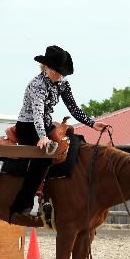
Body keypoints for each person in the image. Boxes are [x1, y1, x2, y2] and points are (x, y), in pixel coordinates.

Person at [9, 45, 107, 224]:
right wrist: (42, 137)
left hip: (44, 124)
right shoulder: (37, 84)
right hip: (28, 125)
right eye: (57, 71)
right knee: (45, 156)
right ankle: (23, 204)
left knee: (74, 143)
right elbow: (37, 113)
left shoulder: (62, 84)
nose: (60, 76)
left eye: (62, 72)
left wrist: (92, 124)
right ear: (46, 68)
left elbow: (73, 108)